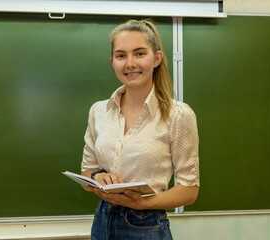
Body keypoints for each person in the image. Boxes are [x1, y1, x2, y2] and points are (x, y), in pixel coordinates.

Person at [80, 19, 200, 240]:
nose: (130, 63)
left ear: (157, 59)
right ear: (112, 62)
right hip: (102, 222)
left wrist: (143, 202)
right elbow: (87, 171)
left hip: (147, 226)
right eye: (121, 55)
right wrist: (99, 177)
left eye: (139, 53)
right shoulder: (98, 111)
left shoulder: (178, 115)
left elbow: (189, 190)